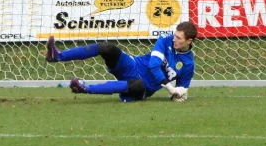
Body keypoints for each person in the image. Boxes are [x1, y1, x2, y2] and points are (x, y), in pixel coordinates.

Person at [45, 21, 198, 102]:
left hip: (141, 88)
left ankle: (85, 89)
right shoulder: (165, 39)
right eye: (175, 35)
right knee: (107, 47)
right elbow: (153, 65)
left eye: (178, 38)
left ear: (189, 41)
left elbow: (181, 92)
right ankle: (57, 56)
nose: (174, 38)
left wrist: (178, 95)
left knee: (137, 84)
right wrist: (171, 88)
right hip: (131, 65)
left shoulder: (188, 65)